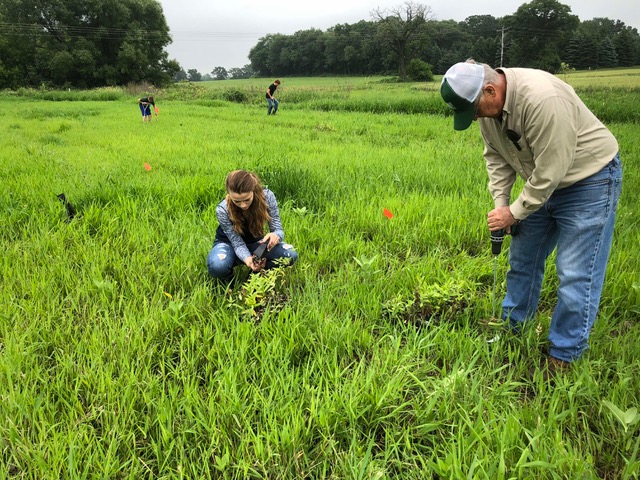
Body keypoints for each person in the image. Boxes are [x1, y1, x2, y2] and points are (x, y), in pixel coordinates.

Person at [440, 60, 622, 372]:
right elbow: (496, 158)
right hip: (539, 184)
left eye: (476, 111)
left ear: (490, 90)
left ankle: (564, 354)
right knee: (522, 260)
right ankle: (513, 328)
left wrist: (515, 212)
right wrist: (502, 205)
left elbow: (551, 172)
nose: (477, 118)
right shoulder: (486, 108)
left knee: (575, 273)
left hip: (588, 182)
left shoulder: (543, 100)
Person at [207, 169, 298, 280]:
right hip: (228, 244)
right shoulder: (222, 209)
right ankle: (229, 284)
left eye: (247, 199)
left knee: (290, 254)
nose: (243, 205)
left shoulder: (267, 197)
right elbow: (237, 243)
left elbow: (277, 228)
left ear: (253, 190)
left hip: (256, 243)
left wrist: (276, 236)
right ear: (228, 194)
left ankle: (253, 279)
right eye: (237, 201)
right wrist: (247, 259)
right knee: (218, 266)